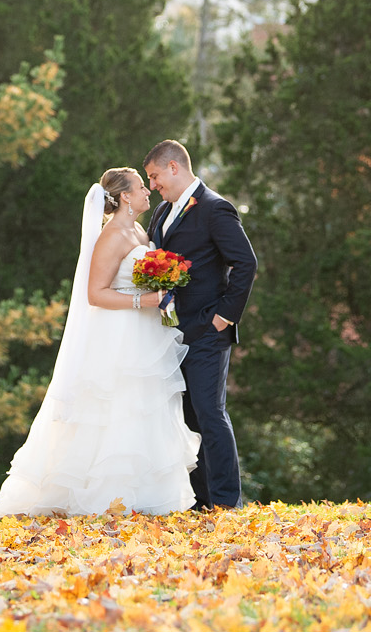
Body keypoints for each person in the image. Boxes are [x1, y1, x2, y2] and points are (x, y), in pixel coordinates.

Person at [0, 167, 199, 517]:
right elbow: (95, 293)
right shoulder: (112, 236)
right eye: (140, 187)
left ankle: (141, 497)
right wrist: (143, 301)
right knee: (113, 407)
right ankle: (103, 498)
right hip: (117, 332)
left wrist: (158, 291)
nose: (147, 192)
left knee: (141, 406)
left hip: (144, 331)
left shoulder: (137, 230)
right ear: (124, 197)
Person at [144, 138, 257, 510]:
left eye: (156, 175)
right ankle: (201, 499)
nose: (153, 184)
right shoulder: (161, 212)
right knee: (188, 417)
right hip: (173, 333)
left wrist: (224, 316)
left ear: (174, 167)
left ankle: (227, 502)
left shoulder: (215, 208)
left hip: (209, 331)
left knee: (210, 412)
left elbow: (246, 263)